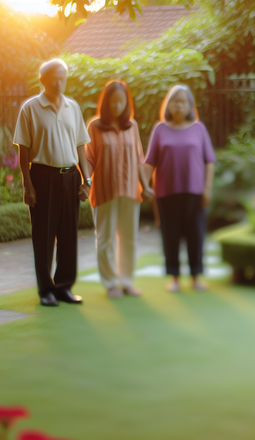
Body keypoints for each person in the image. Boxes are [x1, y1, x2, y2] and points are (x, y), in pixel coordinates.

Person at [13, 58, 92, 307]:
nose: (59, 83)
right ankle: (46, 290)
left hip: (70, 177)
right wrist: (27, 184)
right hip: (43, 177)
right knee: (44, 237)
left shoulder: (73, 107)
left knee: (68, 236)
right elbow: (23, 149)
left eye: (63, 77)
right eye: (54, 78)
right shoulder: (30, 108)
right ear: (43, 80)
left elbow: (81, 145)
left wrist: (86, 180)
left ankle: (63, 287)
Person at [143, 84, 216, 292]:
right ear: (169, 104)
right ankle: (174, 277)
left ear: (190, 105)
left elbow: (209, 161)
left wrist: (207, 189)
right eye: (175, 101)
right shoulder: (160, 129)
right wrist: (143, 186)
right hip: (166, 192)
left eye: (183, 101)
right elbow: (150, 161)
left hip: (195, 192)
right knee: (170, 234)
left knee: (196, 234)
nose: (179, 105)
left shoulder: (199, 128)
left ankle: (196, 276)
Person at [84, 81, 154, 298]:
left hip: (131, 190)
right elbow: (88, 158)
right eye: (113, 102)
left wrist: (147, 186)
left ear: (126, 103)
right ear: (106, 102)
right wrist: (85, 182)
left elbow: (139, 158)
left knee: (129, 237)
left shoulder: (131, 126)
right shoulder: (94, 126)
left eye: (121, 102)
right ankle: (111, 283)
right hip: (105, 190)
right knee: (105, 238)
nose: (117, 106)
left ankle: (126, 281)